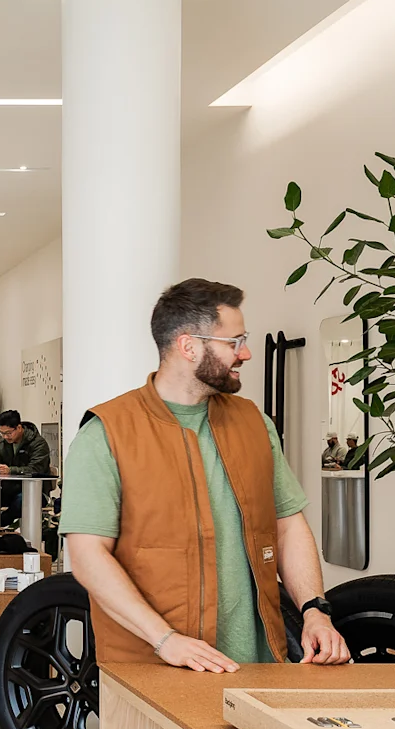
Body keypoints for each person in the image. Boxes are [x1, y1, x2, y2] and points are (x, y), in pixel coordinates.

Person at [61, 278, 351, 672]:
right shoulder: (107, 433)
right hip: (156, 670)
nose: (245, 353)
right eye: (234, 342)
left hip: (261, 665)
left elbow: (287, 524)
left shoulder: (254, 422)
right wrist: (165, 640)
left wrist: (315, 610)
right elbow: (87, 556)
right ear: (188, 345)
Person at [0, 408, 54, 527]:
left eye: (8, 433)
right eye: (2, 433)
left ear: (19, 428)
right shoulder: (3, 445)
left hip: (36, 491)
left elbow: (36, 470)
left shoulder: (38, 444)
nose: (5, 437)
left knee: (21, 502)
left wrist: (11, 470)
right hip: (10, 489)